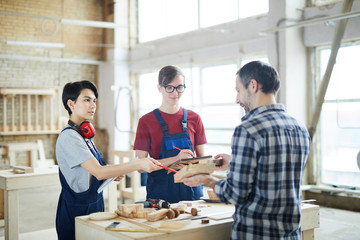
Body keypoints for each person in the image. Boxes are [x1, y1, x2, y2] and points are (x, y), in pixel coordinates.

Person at [182, 61, 311, 239]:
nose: (237, 99)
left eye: (238, 90)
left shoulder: (248, 129)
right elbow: (275, 171)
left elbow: (235, 194)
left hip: (256, 233)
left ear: (253, 85)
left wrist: (207, 180)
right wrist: (235, 161)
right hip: (291, 233)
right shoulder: (299, 128)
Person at [55, 80, 161, 240]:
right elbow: (98, 172)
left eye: (94, 101)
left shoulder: (83, 135)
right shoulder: (69, 137)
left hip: (94, 203)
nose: (93, 105)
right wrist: (137, 163)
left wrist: (111, 174)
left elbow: (96, 170)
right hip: (76, 209)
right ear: (71, 103)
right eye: (86, 100)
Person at [133, 65, 207, 203]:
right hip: (160, 194)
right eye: (169, 87)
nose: (175, 93)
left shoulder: (194, 118)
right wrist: (175, 159)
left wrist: (195, 163)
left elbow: (203, 159)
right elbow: (140, 167)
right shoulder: (146, 121)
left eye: (179, 87)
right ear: (159, 88)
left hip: (192, 192)